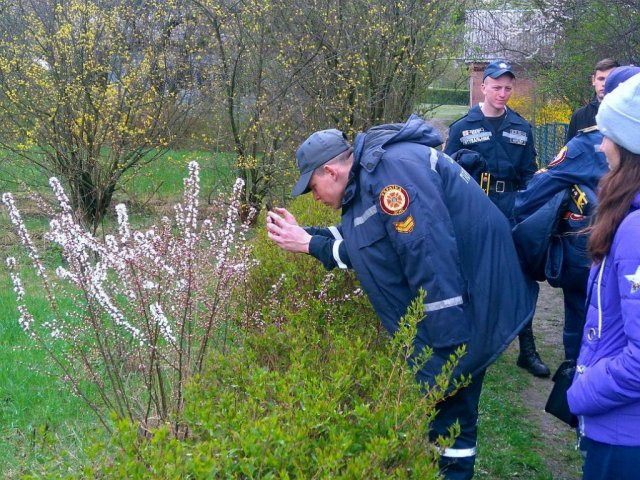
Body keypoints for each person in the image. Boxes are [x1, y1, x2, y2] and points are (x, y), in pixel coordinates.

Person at [266, 114, 538, 479]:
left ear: (331, 171)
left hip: (468, 308)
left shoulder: (392, 173)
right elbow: (373, 239)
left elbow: (429, 254)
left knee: (452, 425)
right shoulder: (372, 175)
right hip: (467, 301)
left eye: (312, 186)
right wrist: (309, 238)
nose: (314, 196)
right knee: (442, 421)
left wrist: (445, 349)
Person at [513, 66, 640, 365]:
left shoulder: (586, 144)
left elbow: (533, 193)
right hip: (603, 258)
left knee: (584, 326)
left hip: (595, 253)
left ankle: (576, 384)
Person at [444, 60, 548, 378]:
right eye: (497, 87)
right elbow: (446, 176)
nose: (503, 93)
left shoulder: (520, 127)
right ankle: (476, 344)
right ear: (484, 87)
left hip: (512, 208)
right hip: (476, 209)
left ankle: (526, 349)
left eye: (507, 88)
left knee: (521, 274)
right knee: (475, 275)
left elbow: (531, 176)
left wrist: (528, 209)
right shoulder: (463, 128)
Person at [567, 73, 640, 479]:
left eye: (609, 134)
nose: (601, 144)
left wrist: (582, 392)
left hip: (624, 437)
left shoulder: (634, 231)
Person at [566, 58, 619, 142]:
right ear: (593, 80)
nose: (604, 84)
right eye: (601, 79)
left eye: (610, 79)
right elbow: (569, 151)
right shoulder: (579, 116)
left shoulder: (628, 115)